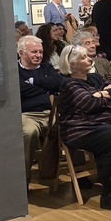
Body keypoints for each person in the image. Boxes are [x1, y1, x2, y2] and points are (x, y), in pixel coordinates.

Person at [56, 44, 111, 204]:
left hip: (108, 123)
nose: (90, 59)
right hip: (81, 129)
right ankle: (109, 192)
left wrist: (100, 94)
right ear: (72, 64)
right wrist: (106, 94)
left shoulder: (95, 78)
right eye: (83, 57)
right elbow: (89, 104)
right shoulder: (68, 84)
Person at [17, 35, 64, 187]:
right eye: (34, 52)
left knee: (70, 126)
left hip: (51, 113)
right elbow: (19, 90)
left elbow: (59, 83)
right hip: (27, 114)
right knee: (28, 133)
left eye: (40, 52)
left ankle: (77, 173)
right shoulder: (14, 71)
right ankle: (24, 180)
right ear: (21, 53)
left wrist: (33, 83)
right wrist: (46, 89)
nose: (38, 55)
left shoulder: (46, 67)